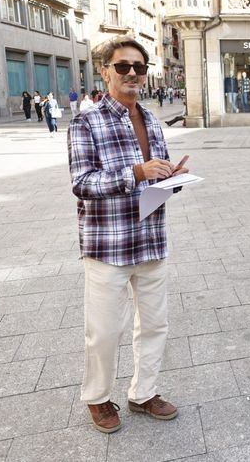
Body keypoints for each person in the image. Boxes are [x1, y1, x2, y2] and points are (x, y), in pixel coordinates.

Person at [68, 35, 187, 434]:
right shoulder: (86, 121)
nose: (133, 73)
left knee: (155, 325)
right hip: (108, 244)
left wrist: (173, 176)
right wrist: (135, 173)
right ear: (105, 72)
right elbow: (82, 182)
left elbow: (158, 171)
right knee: (103, 331)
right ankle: (98, 398)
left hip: (151, 238)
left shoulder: (150, 118)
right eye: (123, 66)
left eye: (139, 66)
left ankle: (144, 393)